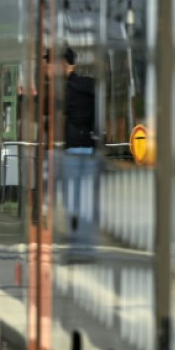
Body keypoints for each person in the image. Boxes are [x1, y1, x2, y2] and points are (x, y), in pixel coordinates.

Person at [61, 47, 99, 254]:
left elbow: (64, 111)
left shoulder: (68, 89)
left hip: (73, 145)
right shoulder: (89, 86)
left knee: (72, 195)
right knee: (85, 193)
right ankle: (87, 236)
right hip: (89, 145)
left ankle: (75, 237)